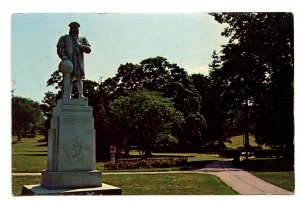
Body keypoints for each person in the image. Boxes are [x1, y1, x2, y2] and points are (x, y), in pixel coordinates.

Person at [57, 22, 91, 100]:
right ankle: (67, 95)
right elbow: (60, 48)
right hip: (69, 61)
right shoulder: (65, 38)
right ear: (70, 29)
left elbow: (88, 49)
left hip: (79, 61)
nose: (74, 30)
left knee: (79, 78)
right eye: (72, 28)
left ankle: (80, 96)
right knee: (69, 78)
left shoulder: (82, 39)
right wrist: (63, 56)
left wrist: (80, 46)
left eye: (76, 28)